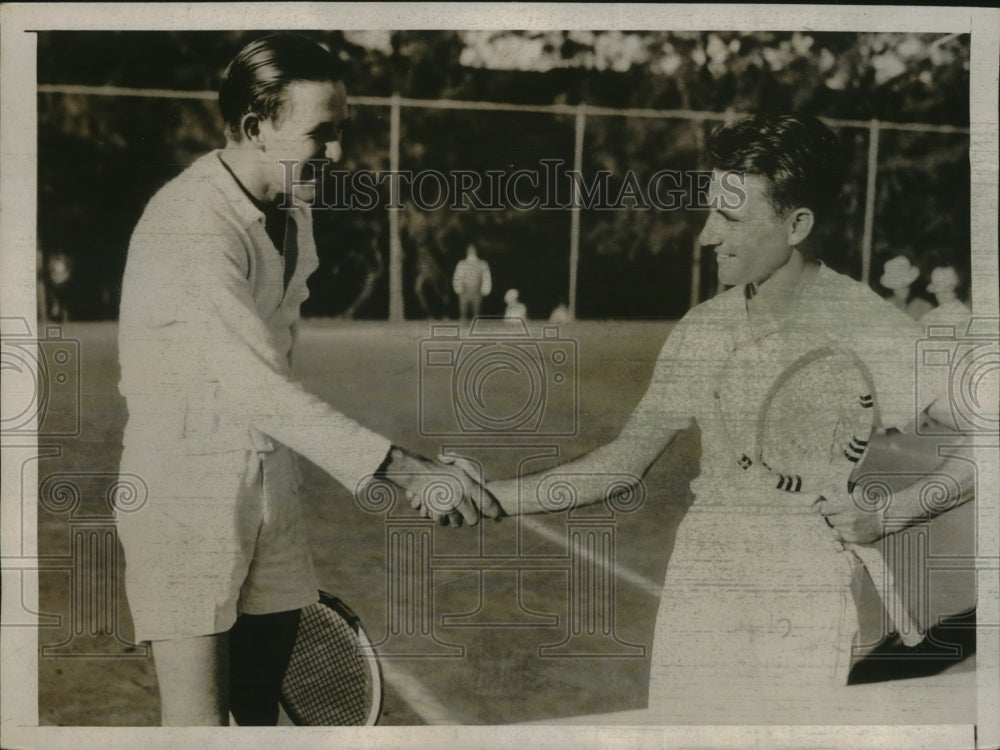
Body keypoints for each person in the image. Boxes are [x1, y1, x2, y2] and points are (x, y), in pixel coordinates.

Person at [452, 115, 973, 723]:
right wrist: (488, 497)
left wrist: (893, 513)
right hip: (701, 576)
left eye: (729, 218)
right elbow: (623, 464)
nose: (705, 235)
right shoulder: (703, 328)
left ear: (797, 224)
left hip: (801, 592)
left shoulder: (864, 322)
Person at [116, 34, 498, 726]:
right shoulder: (190, 222)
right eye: (321, 133)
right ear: (257, 128)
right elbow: (254, 384)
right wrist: (409, 473)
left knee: (258, 716)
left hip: (269, 479)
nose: (339, 154)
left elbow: (276, 367)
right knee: (198, 727)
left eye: (342, 132)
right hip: (181, 493)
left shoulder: (294, 211)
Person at [879, 254, 933, 320]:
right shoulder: (884, 307)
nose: (904, 288)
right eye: (898, 286)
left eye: (905, 285)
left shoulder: (924, 306)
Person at [920, 264, 971, 328]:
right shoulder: (929, 317)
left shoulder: (964, 316)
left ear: (954, 289)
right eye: (938, 291)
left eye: (946, 291)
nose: (941, 295)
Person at [452, 243, 492, 321]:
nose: (471, 251)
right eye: (470, 250)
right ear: (467, 251)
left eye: (473, 250)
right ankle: (462, 329)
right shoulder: (462, 263)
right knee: (463, 314)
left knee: (477, 315)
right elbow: (457, 277)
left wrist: (485, 290)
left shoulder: (482, 264)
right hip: (464, 292)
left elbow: (486, 277)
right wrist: (458, 289)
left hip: (477, 292)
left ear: (476, 251)